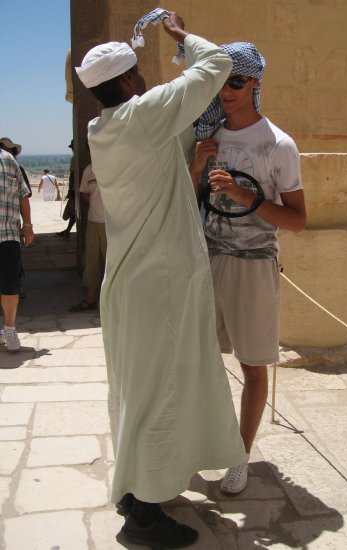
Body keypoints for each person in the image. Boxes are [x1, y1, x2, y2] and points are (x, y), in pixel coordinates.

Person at [75, 12, 246, 549]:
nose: (146, 80)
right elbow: (218, 63)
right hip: (160, 284)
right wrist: (180, 34)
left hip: (130, 284)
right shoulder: (143, 114)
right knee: (161, 393)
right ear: (128, 82)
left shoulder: (101, 127)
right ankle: (144, 516)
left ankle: (134, 488)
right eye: (139, 74)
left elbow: (161, 165)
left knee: (135, 390)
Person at [189, 42, 307, 494]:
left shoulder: (279, 145)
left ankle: (239, 454)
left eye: (236, 81)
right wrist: (197, 163)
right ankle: (205, 444)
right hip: (208, 258)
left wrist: (246, 197)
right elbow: (188, 198)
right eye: (220, 82)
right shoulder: (209, 133)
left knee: (252, 365)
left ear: (256, 83)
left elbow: (297, 220)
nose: (227, 91)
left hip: (255, 264)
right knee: (200, 361)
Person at [0, 148, 34, 351]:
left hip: (8, 234)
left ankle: (10, 329)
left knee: (10, 285)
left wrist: (27, 225)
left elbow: (23, 195)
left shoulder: (8, 160)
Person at [68, 158, 106, 311]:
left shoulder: (118, 164)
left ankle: (116, 301)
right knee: (91, 260)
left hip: (114, 224)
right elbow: (85, 193)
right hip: (93, 221)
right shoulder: (89, 169)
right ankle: (90, 300)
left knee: (114, 262)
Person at [0, 138, 32, 298]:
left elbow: (26, 194)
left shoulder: (15, 167)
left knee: (13, 263)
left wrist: (27, 225)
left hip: (10, 227)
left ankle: (16, 285)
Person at [56, 141, 76, 238]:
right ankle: (68, 230)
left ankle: (67, 231)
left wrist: (70, 191)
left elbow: (72, 176)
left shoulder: (74, 159)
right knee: (75, 213)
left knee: (74, 212)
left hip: (75, 190)